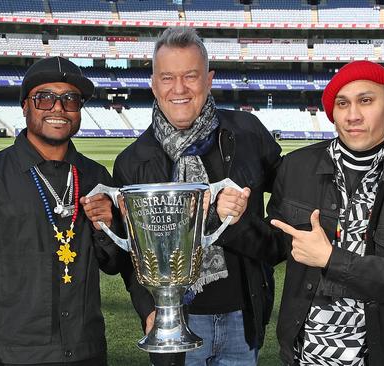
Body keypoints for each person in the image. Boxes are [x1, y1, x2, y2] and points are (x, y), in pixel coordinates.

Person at [229, 61, 384, 365]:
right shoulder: (296, 168)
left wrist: (331, 259)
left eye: (366, 100)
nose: (353, 115)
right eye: (342, 103)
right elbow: (274, 245)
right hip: (304, 355)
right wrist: (234, 221)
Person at [0, 56, 147, 365]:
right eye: (45, 98)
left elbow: (114, 263)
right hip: (11, 355)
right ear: (25, 106)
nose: (58, 108)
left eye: (70, 99)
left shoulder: (96, 177)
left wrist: (107, 228)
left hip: (86, 352)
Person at [112, 27, 282, 365]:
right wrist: (148, 310)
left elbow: (282, 223)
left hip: (242, 320)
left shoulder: (249, 134)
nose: (179, 89)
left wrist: (235, 222)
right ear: (153, 84)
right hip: (175, 323)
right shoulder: (131, 161)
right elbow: (132, 259)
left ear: (209, 79)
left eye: (191, 76)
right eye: (167, 78)